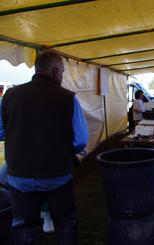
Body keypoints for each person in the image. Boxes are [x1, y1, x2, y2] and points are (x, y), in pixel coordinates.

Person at [0, 50, 89, 244]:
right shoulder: (68, 98)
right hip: (56, 174)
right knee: (65, 221)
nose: (62, 75)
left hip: (19, 176)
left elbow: (1, 132)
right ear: (56, 71)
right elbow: (81, 140)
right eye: (63, 71)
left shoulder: (9, 96)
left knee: (24, 225)